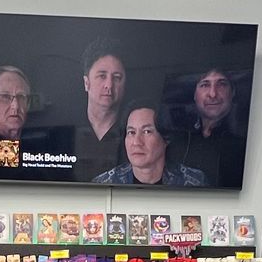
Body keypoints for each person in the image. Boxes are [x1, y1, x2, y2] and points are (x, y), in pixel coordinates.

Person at [95, 104, 208, 187]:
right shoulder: (104, 183)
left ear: (166, 138)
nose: (136, 142)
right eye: (131, 132)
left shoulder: (194, 182)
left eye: (147, 131)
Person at [174, 65, 246, 186]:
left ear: (232, 92)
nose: (213, 94)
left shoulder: (244, 142)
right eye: (205, 85)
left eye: (222, 84)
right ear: (194, 94)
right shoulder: (176, 140)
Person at [71, 37, 128, 181]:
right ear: (86, 83)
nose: (109, 85)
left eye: (116, 77)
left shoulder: (134, 136)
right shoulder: (67, 131)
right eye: (102, 76)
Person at [0, 64, 34, 174]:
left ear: (28, 103)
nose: (15, 106)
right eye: (5, 97)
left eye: (21, 97)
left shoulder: (39, 148)